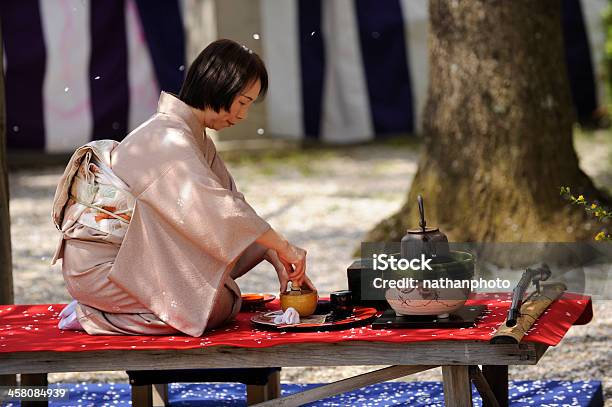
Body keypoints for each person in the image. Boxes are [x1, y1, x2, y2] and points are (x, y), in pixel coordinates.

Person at [51, 39, 315, 337]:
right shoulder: (167, 138)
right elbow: (215, 211)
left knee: (225, 300)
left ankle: (111, 310)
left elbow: (232, 209)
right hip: (105, 268)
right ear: (218, 86)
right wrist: (282, 245)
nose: (242, 115)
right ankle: (92, 315)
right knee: (208, 308)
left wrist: (273, 254)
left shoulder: (194, 138)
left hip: (136, 260)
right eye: (242, 102)